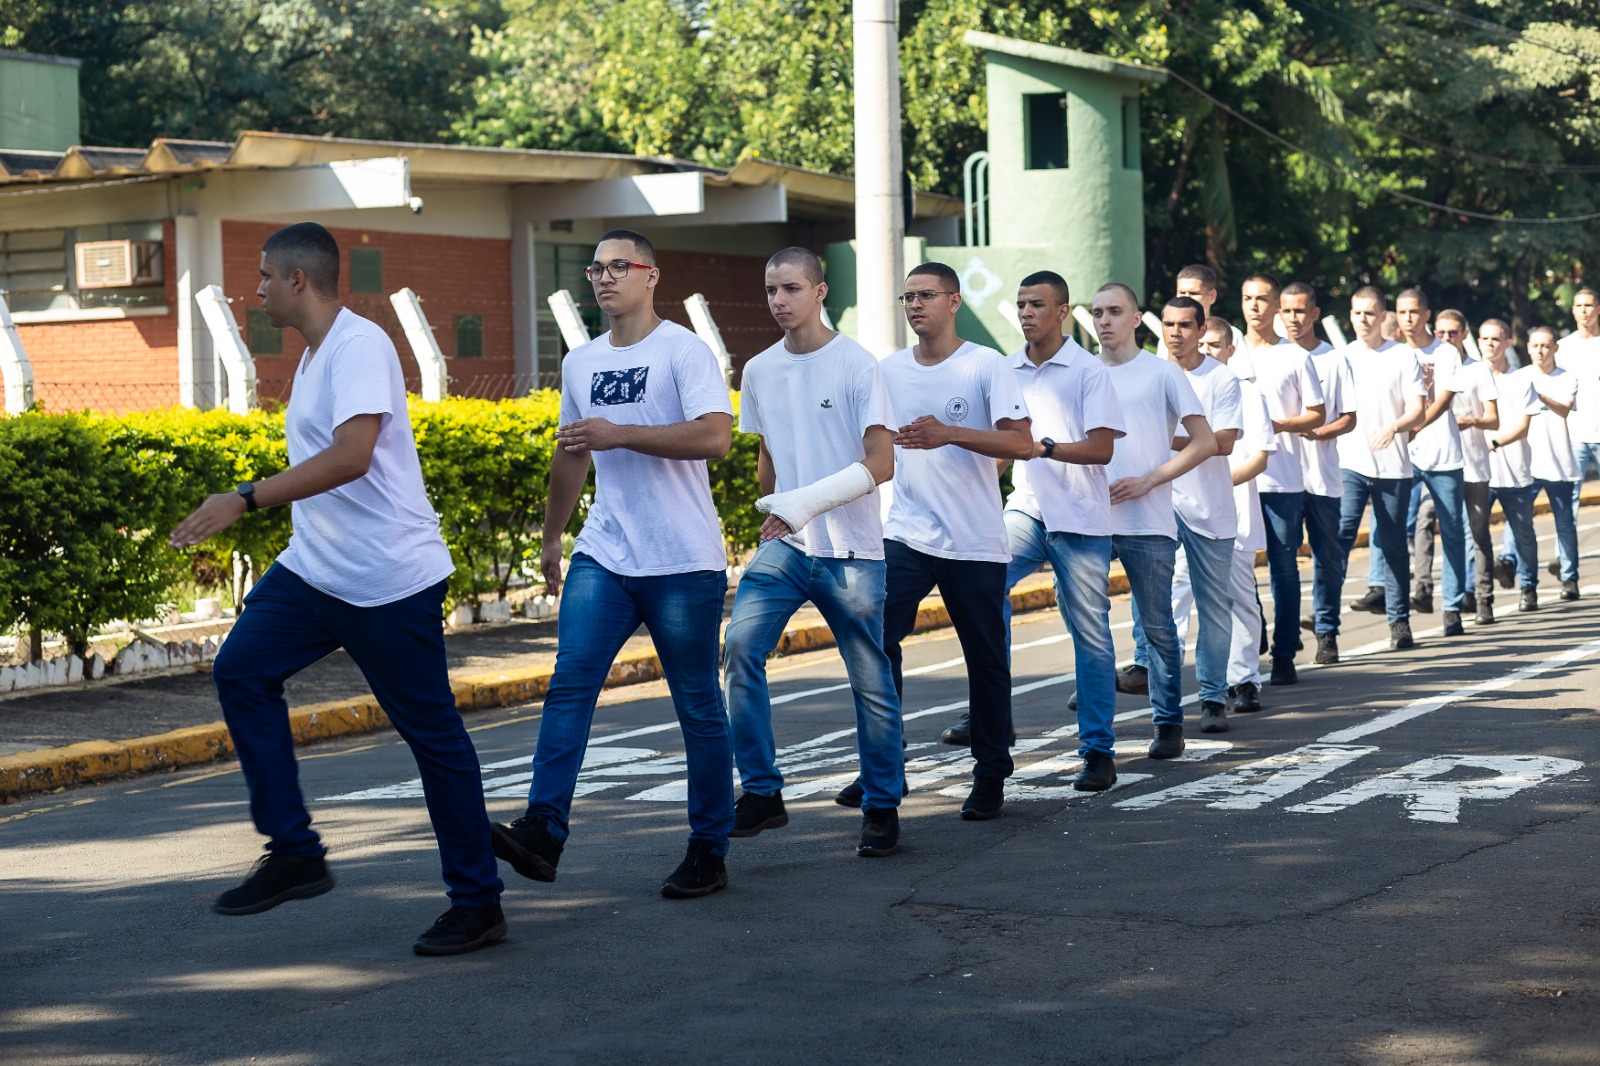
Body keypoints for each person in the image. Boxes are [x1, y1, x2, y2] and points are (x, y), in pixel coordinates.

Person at [168, 222, 506, 956]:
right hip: (316, 569)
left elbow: (353, 457)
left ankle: (478, 900)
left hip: (387, 578)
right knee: (241, 670)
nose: (254, 292)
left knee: (433, 739)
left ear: (297, 281)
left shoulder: (361, 346)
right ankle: (295, 852)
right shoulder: (318, 355)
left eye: (263, 278)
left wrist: (244, 497)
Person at [492, 229, 738, 898]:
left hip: (683, 559)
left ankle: (708, 848)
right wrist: (551, 537)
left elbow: (716, 437)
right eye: (595, 268)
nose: (604, 278)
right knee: (570, 685)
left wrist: (620, 432)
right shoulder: (582, 361)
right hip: (605, 551)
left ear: (650, 275)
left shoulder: (684, 351)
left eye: (618, 266)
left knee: (697, 705)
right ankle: (544, 830)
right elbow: (573, 451)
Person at [722, 247, 905, 848]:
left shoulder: (857, 364)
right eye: (771, 289)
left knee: (868, 677)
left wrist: (804, 504)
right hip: (787, 546)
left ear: (820, 292)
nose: (780, 300)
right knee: (740, 647)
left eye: (792, 289)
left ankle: (881, 805)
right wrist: (779, 510)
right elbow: (768, 456)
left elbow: (881, 463)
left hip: (851, 549)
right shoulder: (758, 369)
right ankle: (763, 791)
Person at [873, 262, 1033, 834]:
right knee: (875, 641)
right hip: (907, 534)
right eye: (907, 297)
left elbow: (1022, 443)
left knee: (985, 661)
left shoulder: (985, 364)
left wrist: (950, 432)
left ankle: (991, 771)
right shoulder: (887, 370)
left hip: (974, 538)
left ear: (954, 302)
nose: (914, 305)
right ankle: (884, 765)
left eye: (926, 295)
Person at [973, 270, 1126, 792]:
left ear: (1062, 311)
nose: (1026, 313)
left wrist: (1043, 447)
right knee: (981, 594)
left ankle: (1098, 751)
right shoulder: (1003, 369)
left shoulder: (1088, 372)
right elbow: (998, 444)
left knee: (1091, 637)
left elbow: (1103, 448)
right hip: (1027, 510)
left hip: (1081, 519)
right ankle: (993, 719)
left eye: (1037, 304)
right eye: (1020, 304)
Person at [1093, 282, 1217, 759]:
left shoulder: (1162, 374)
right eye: (1098, 312)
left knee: (1158, 627)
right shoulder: (1082, 371)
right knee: (1086, 619)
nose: (1105, 320)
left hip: (1147, 520)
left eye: (1114, 311)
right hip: (1090, 518)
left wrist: (1149, 480)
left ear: (1136, 319)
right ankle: (1096, 702)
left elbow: (1205, 442)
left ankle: (1168, 723)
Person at [1145, 296, 1242, 734]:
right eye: (1168, 324)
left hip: (1209, 509)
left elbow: (1222, 443)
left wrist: (1165, 440)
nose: (1175, 333)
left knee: (1213, 606)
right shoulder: (1147, 375)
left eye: (1185, 324)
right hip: (1157, 507)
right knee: (1153, 605)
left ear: (1202, 330)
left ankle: (1213, 697)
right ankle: (1147, 682)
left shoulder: (1221, 379)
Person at [1239, 274, 1325, 684]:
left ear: (1276, 306)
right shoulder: (1226, 351)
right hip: (1236, 478)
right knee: (1238, 569)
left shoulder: (1295, 356)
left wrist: (1276, 424)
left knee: (1282, 568)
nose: (1254, 306)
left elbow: (1317, 414)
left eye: (1262, 300)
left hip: (1282, 479)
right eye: (1248, 299)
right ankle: (1250, 643)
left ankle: (1286, 651)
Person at [1335, 287, 1427, 650]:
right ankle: (1327, 625)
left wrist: (1393, 427)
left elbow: (1418, 409)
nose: (1362, 320)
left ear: (1382, 315)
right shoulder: (1340, 356)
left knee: (1393, 545)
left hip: (1393, 467)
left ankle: (1399, 623)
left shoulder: (1403, 356)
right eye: (1357, 313)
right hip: (1350, 463)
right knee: (1339, 538)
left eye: (1370, 314)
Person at [1383, 288, 1469, 636]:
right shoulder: (1389, 353)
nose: (1407, 319)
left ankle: (1452, 608)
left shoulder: (1445, 352)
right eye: (1402, 312)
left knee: (1451, 533)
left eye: (1414, 312)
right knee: (1390, 529)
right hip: (1402, 457)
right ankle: (1395, 609)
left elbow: (1445, 399)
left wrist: (1414, 428)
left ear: (1427, 314)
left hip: (1443, 455)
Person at [1201, 318, 1274, 712]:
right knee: (1177, 600)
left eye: (1216, 345)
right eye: (1204, 345)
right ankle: (1164, 677)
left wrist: (1218, 482)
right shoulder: (1184, 388)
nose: (1209, 351)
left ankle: (1245, 679)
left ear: (1231, 350)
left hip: (1234, 513)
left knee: (1240, 600)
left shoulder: (1249, 393)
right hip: (1185, 513)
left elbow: (1259, 457)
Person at [1281, 281, 1355, 663]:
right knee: (1283, 561)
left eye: (1300, 311)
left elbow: (1349, 418)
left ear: (1313, 313)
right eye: (1287, 310)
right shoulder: (1271, 357)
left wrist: (1318, 432)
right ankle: (1287, 634)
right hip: (1280, 477)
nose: (1293, 318)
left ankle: (1326, 632)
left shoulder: (1334, 358)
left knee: (1328, 558)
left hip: (1323, 477)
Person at [1420, 310, 1499, 624]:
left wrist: (1471, 421)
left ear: (1464, 334)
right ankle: (1423, 589)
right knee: (1424, 519)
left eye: (1452, 333)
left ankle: (1483, 599)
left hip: (1474, 464)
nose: (1446, 339)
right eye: (1440, 333)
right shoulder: (1427, 367)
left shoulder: (1478, 371)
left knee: (1477, 532)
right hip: (1438, 462)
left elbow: (1495, 419)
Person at [1513, 327, 1582, 601]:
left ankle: (1569, 578)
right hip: (1525, 465)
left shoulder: (1566, 378)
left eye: (1546, 346)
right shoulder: (1518, 378)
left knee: (1565, 525)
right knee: (1518, 526)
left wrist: (1539, 395)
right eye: (1535, 346)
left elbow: (1564, 409)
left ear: (1555, 348)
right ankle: (1527, 585)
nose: (1540, 351)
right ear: (1527, 348)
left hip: (1560, 465)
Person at [1482, 334, 1542, 613]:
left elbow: (1523, 426)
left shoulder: (1520, 380)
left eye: (1495, 339)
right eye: (1484, 338)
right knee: (1477, 534)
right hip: (1481, 474)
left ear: (1506, 343)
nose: (1489, 344)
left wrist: (1494, 443)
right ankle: (1480, 597)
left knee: (1523, 534)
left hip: (1515, 472)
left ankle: (1528, 587)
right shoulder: (1471, 376)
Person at [1556, 287, 1599, 561]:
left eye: (1589, 305)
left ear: (1598, 309)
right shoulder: (1564, 348)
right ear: (1572, 310)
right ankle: (1564, 562)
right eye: (1579, 305)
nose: (1583, 310)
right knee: (1566, 503)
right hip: (1574, 434)